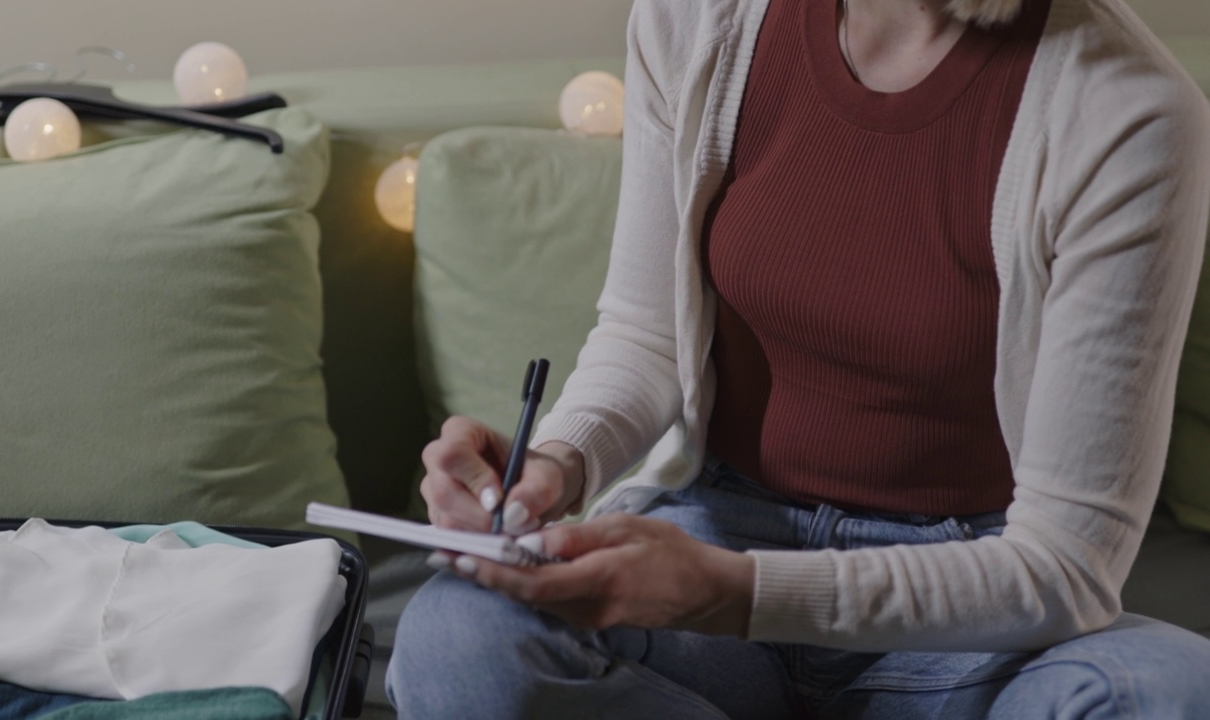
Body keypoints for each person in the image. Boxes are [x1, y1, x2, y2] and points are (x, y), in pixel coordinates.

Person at [389, 0, 1210, 716]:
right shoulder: (693, 18)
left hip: (963, 615)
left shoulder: (1127, 111)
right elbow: (648, 335)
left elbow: (1065, 567)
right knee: (460, 636)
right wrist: (556, 466)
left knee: (1170, 694)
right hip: (719, 532)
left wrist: (738, 594)